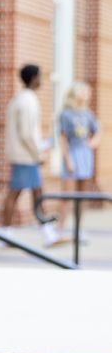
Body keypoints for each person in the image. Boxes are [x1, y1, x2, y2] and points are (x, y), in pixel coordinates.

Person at [2, 63, 64, 246]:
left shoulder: (19, 99)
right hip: (26, 157)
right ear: (34, 78)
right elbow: (27, 133)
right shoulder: (28, 100)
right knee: (24, 194)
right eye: (40, 76)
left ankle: (44, 232)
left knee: (35, 193)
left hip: (23, 155)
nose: (42, 80)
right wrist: (38, 153)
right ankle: (8, 234)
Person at [58, 80, 101, 238]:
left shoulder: (88, 114)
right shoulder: (66, 114)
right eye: (85, 91)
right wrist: (68, 160)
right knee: (67, 195)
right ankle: (60, 228)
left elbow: (97, 131)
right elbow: (62, 139)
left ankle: (78, 229)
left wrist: (93, 142)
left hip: (85, 156)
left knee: (82, 196)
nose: (87, 94)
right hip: (72, 154)